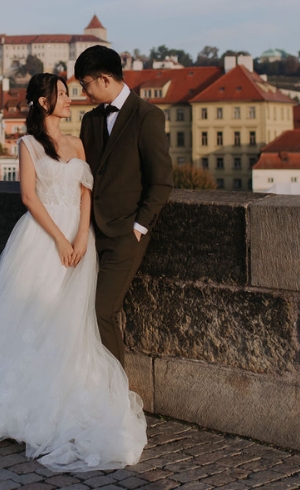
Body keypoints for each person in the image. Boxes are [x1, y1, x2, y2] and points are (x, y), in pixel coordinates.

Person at [0, 73, 146, 472]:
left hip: (79, 236)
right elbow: (28, 196)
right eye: (62, 95)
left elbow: (86, 192)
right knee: (30, 319)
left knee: (69, 321)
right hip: (42, 238)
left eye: (70, 93)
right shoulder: (29, 144)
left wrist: (81, 238)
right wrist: (59, 238)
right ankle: (17, 402)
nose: (70, 100)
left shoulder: (78, 143)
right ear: (43, 102)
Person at [75, 45, 173, 364]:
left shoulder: (147, 116)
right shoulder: (90, 120)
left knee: (103, 310)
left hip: (125, 234)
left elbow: (161, 181)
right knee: (79, 309)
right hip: (92, 231)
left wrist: (138, 228)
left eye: (85, 84)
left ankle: (115, 394)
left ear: (104, 79)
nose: (83, 91)